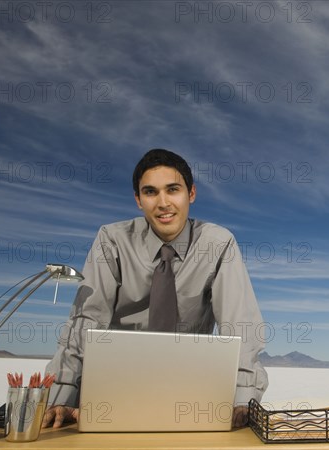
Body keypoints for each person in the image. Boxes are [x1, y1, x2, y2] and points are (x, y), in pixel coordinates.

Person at [42, 149, 268, 429]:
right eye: (150, 192)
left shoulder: (218, 244)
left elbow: (240, 325)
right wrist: (63, 392)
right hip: (115, 388)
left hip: (192, 391)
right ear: (138, 200)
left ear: (191, 194)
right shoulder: (111, 241)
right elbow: (86, 318)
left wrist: (242, 399)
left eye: (173, 190)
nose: (163, 203)